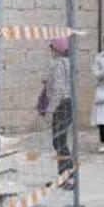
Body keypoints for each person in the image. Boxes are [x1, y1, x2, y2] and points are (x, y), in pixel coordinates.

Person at [41, 36, 74, 189]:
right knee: (59, 142)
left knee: (59, 142)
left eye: (51, 47)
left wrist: (49, 111)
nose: (50, 51)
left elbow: (59, 90)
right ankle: (64, 176)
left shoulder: (58, 64)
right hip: (67, 105)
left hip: (62, 105)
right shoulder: (66, 63)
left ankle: (68, 177)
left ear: (55, 49)